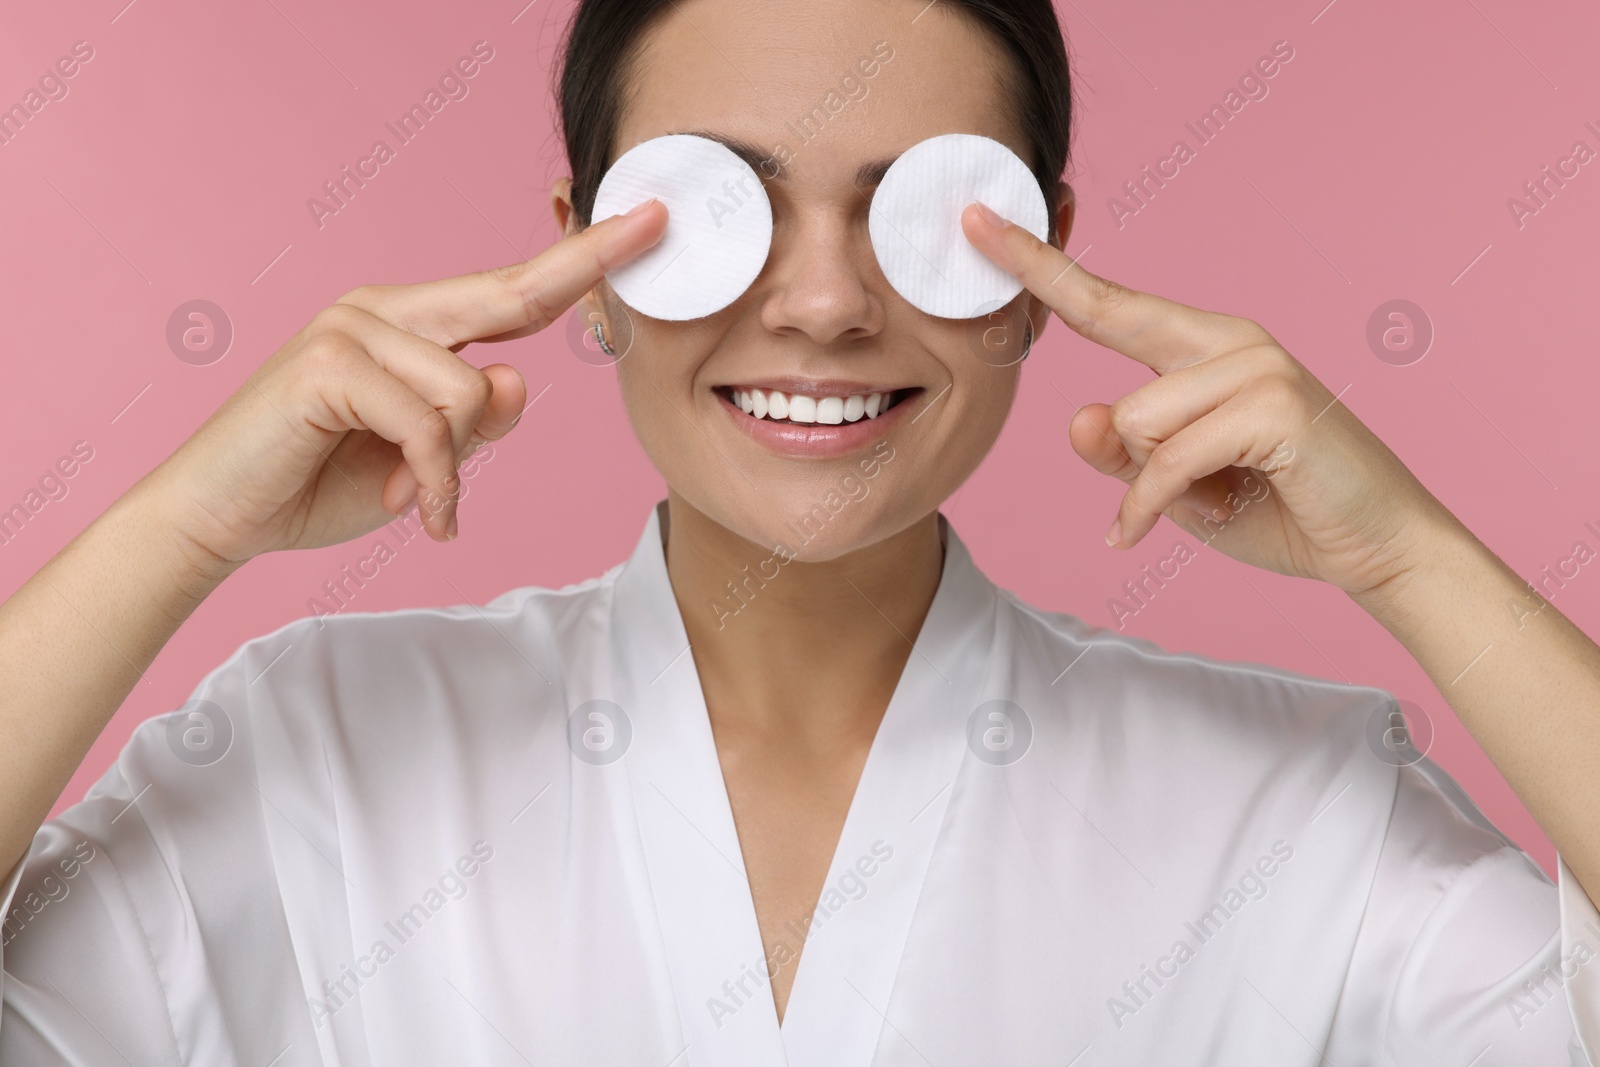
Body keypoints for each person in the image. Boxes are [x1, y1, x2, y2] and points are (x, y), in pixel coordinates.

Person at [3, 0, 1599, 1063]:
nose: (827, 303)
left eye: (924, 212)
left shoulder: (1298, 808)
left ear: (1045, 264)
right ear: (581, 259)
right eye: (717, 212)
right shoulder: (317, 749)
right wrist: (175, 532)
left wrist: (1416, 561)